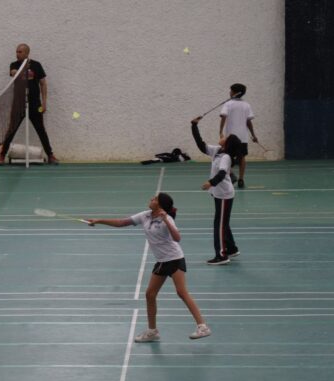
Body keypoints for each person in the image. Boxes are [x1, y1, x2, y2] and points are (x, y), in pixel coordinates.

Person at [86, 193, 211, 342]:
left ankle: (203, 327)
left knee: (182, 292)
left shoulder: (167, 219)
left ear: (160, 204)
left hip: (175, 259)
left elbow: (177, 238)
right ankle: (152, 331)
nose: (151, 199)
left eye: (155, 199)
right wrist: (100, 220)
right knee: (150, 294)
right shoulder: (145, 216)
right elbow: (122, 222)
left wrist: (166, 220)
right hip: (161, 261)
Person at [192, 116, 243, 265]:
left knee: (219, 224)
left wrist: (210, 183)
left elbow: (221, 174)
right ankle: (232, 249)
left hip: (224, 195)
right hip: (219, 194)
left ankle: (221, 255)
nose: (222, 137)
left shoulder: (226, 157)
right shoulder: (217, 151)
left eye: (225, 137)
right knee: (223, 223)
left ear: (228, 144)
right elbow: (201, 146)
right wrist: (194, 126)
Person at [0, 43, 58, 165]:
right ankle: (1, 156)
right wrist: (24, 69)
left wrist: (44, 102)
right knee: (11, 130)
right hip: (18, 104)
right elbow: (14, 73)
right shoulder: (14, 65)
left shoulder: (36, 65)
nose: (17, 54)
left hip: (35, 104)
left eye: (20, 52)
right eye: (16, 51)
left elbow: (43, 83)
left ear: (26, 53)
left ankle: (51, 155)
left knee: (41, 129)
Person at [219, 83, 258, 188]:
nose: (229, 92)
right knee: (242, 157)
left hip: (230, 137)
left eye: (230, 91)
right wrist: (253, 135)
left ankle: (231, 175)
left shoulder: (228, 104)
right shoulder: (246, 105)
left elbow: (223, 117)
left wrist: (220, 132)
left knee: (225, 156)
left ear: (235, 92)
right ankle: (241, 179)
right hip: (243, 137)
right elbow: (249, 122)